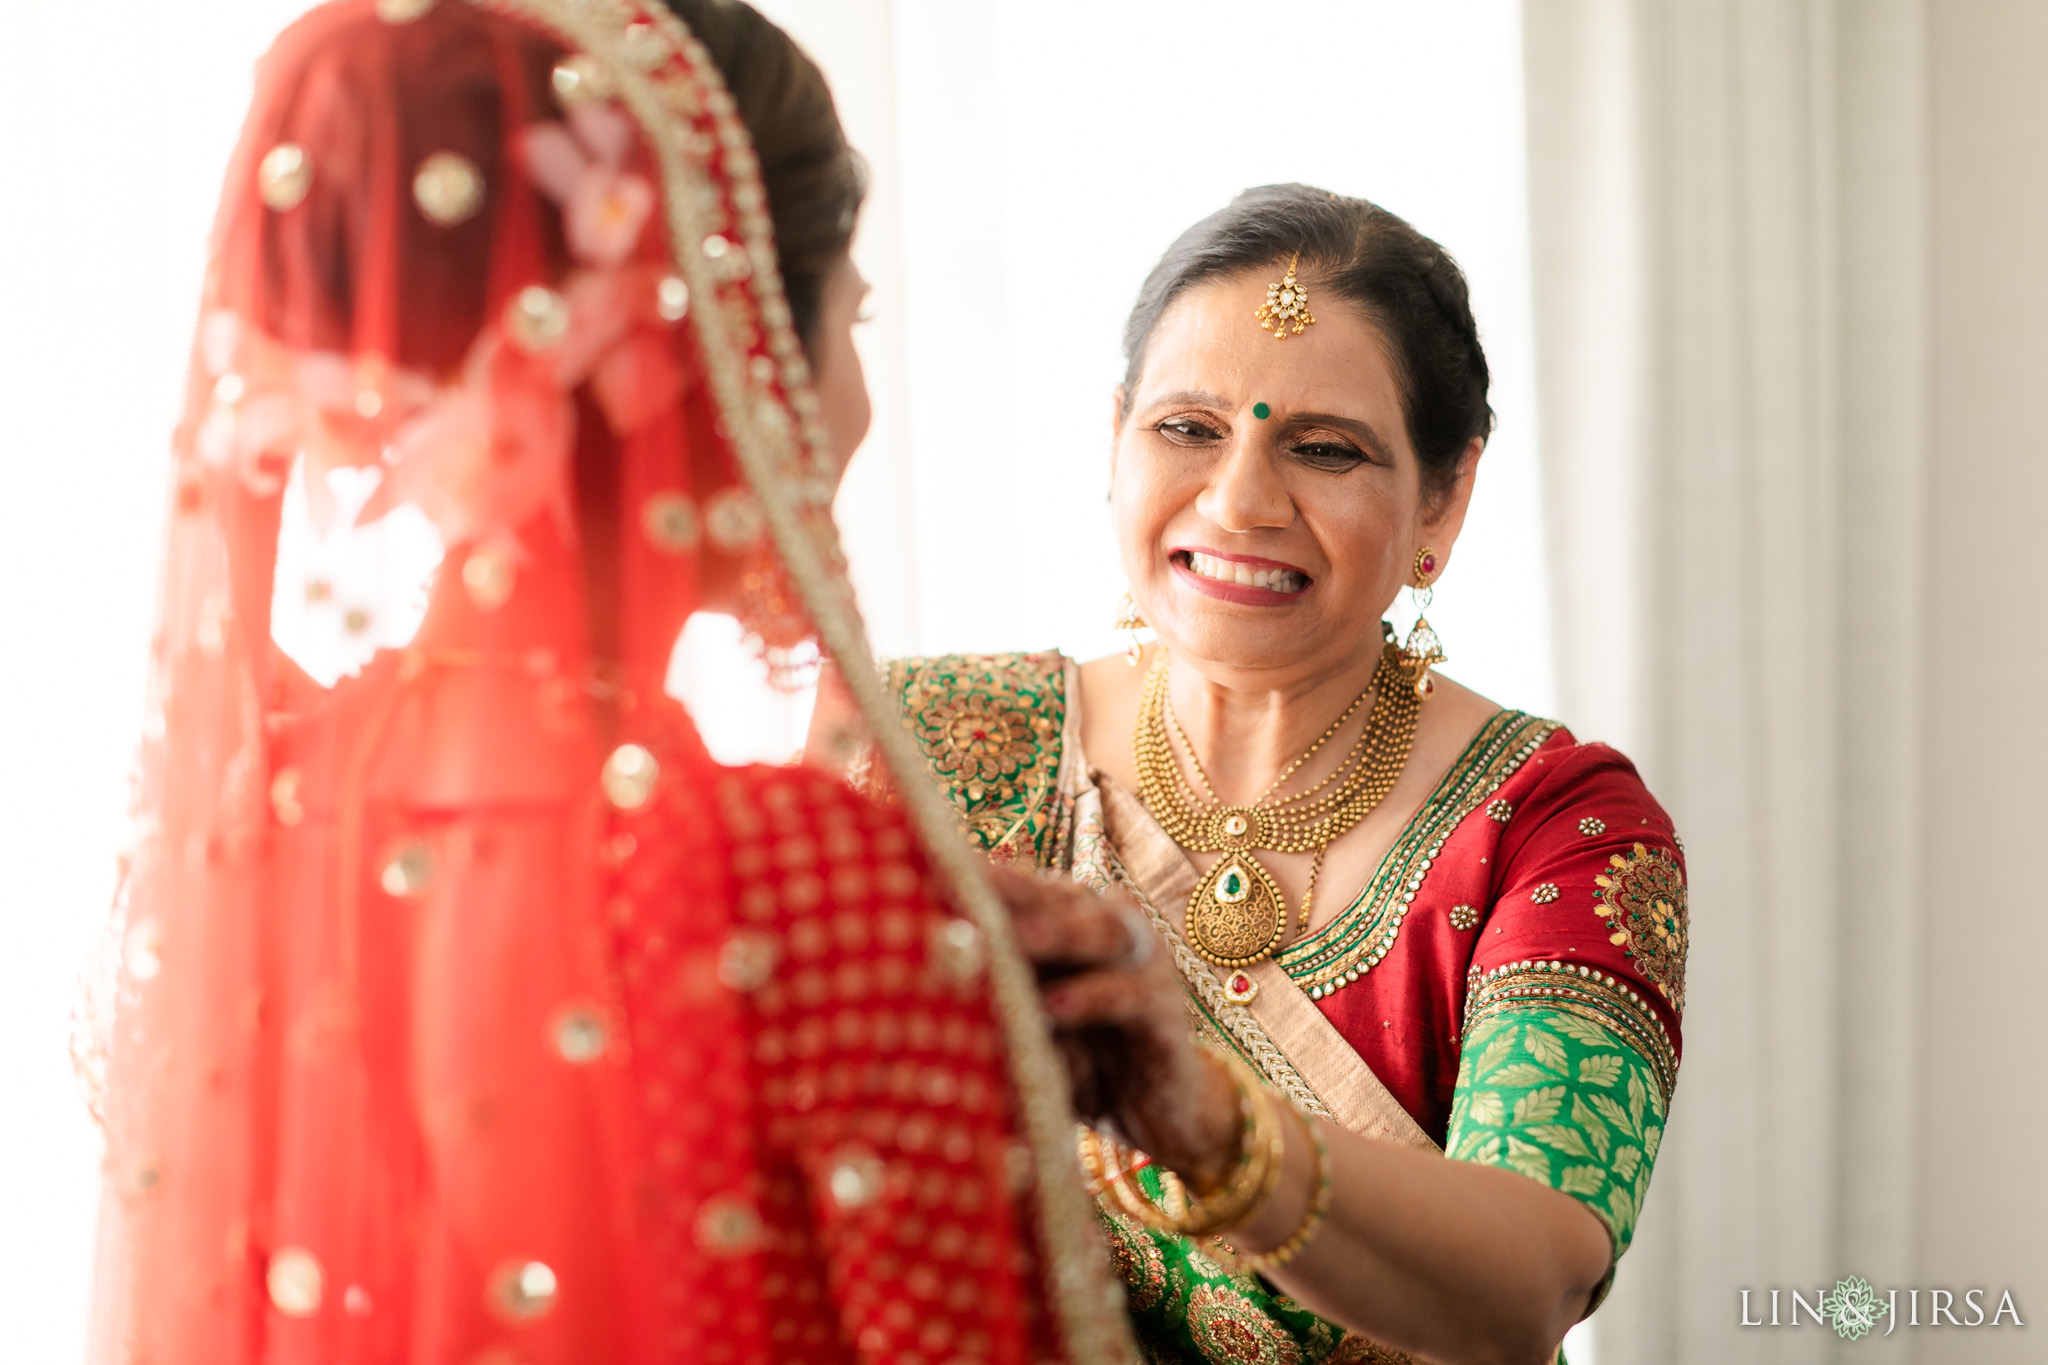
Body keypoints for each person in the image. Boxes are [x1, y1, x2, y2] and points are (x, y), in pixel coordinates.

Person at [83, 3, 1136, 1362]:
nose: (859, 393)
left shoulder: (245, 834)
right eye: (849, 313)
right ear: (730, 349)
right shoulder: (801, 881)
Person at [831, 186, 1688, 1364]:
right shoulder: (925, 748)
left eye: (1323, 449)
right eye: (1186, 429)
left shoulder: (1555, 829)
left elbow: (1526, 1286)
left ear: (1444, 498)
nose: (1237, 500)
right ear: (1115, 441)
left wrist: (1218, 1132)